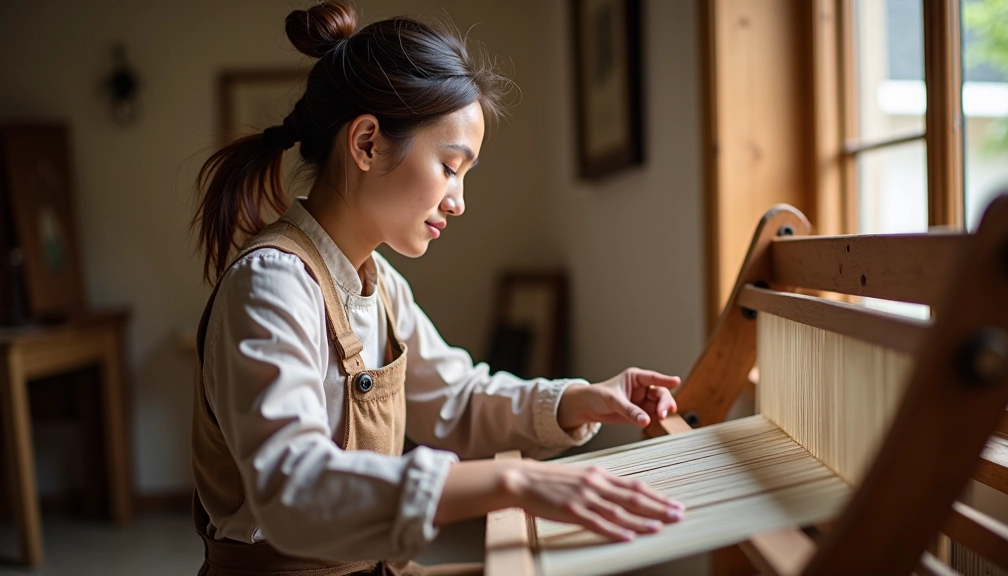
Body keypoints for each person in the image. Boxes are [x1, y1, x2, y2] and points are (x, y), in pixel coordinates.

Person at [190, 2, 685, 575]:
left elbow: (457, 400)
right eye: (451, 167)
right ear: (368, 143)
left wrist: (579, 398)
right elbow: (292, 486)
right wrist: (513, 480)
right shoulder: (273, 284)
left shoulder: (381, 285)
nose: (459, 201)